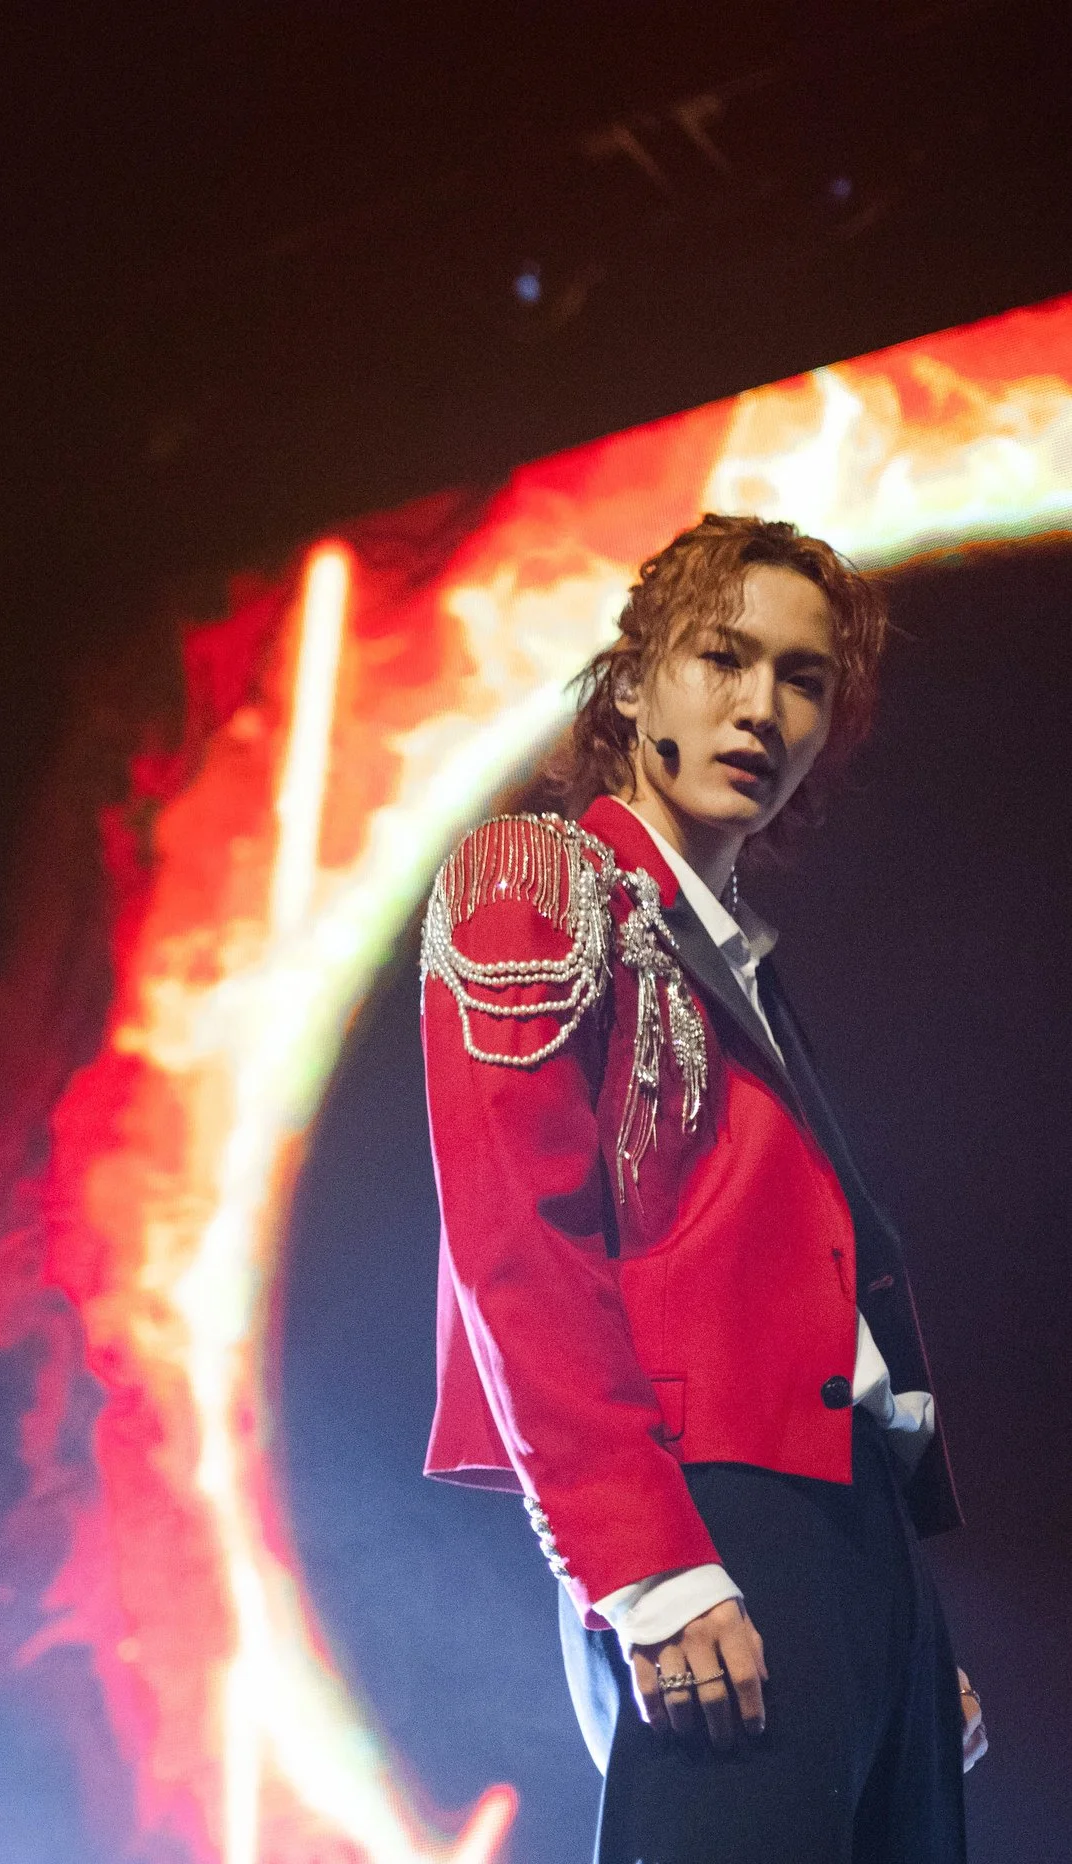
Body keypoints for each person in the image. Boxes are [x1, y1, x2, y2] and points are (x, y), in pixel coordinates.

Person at [417, 513, 985, 1861]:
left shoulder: (730, 955)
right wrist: (648, 1569)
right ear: (630, 686)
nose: (763, 710)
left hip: (853, 1539)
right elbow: (519, 1255)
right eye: (724, 658)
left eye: (802, 679)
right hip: (714, 1517)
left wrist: (899, 1626)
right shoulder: (538, 876)